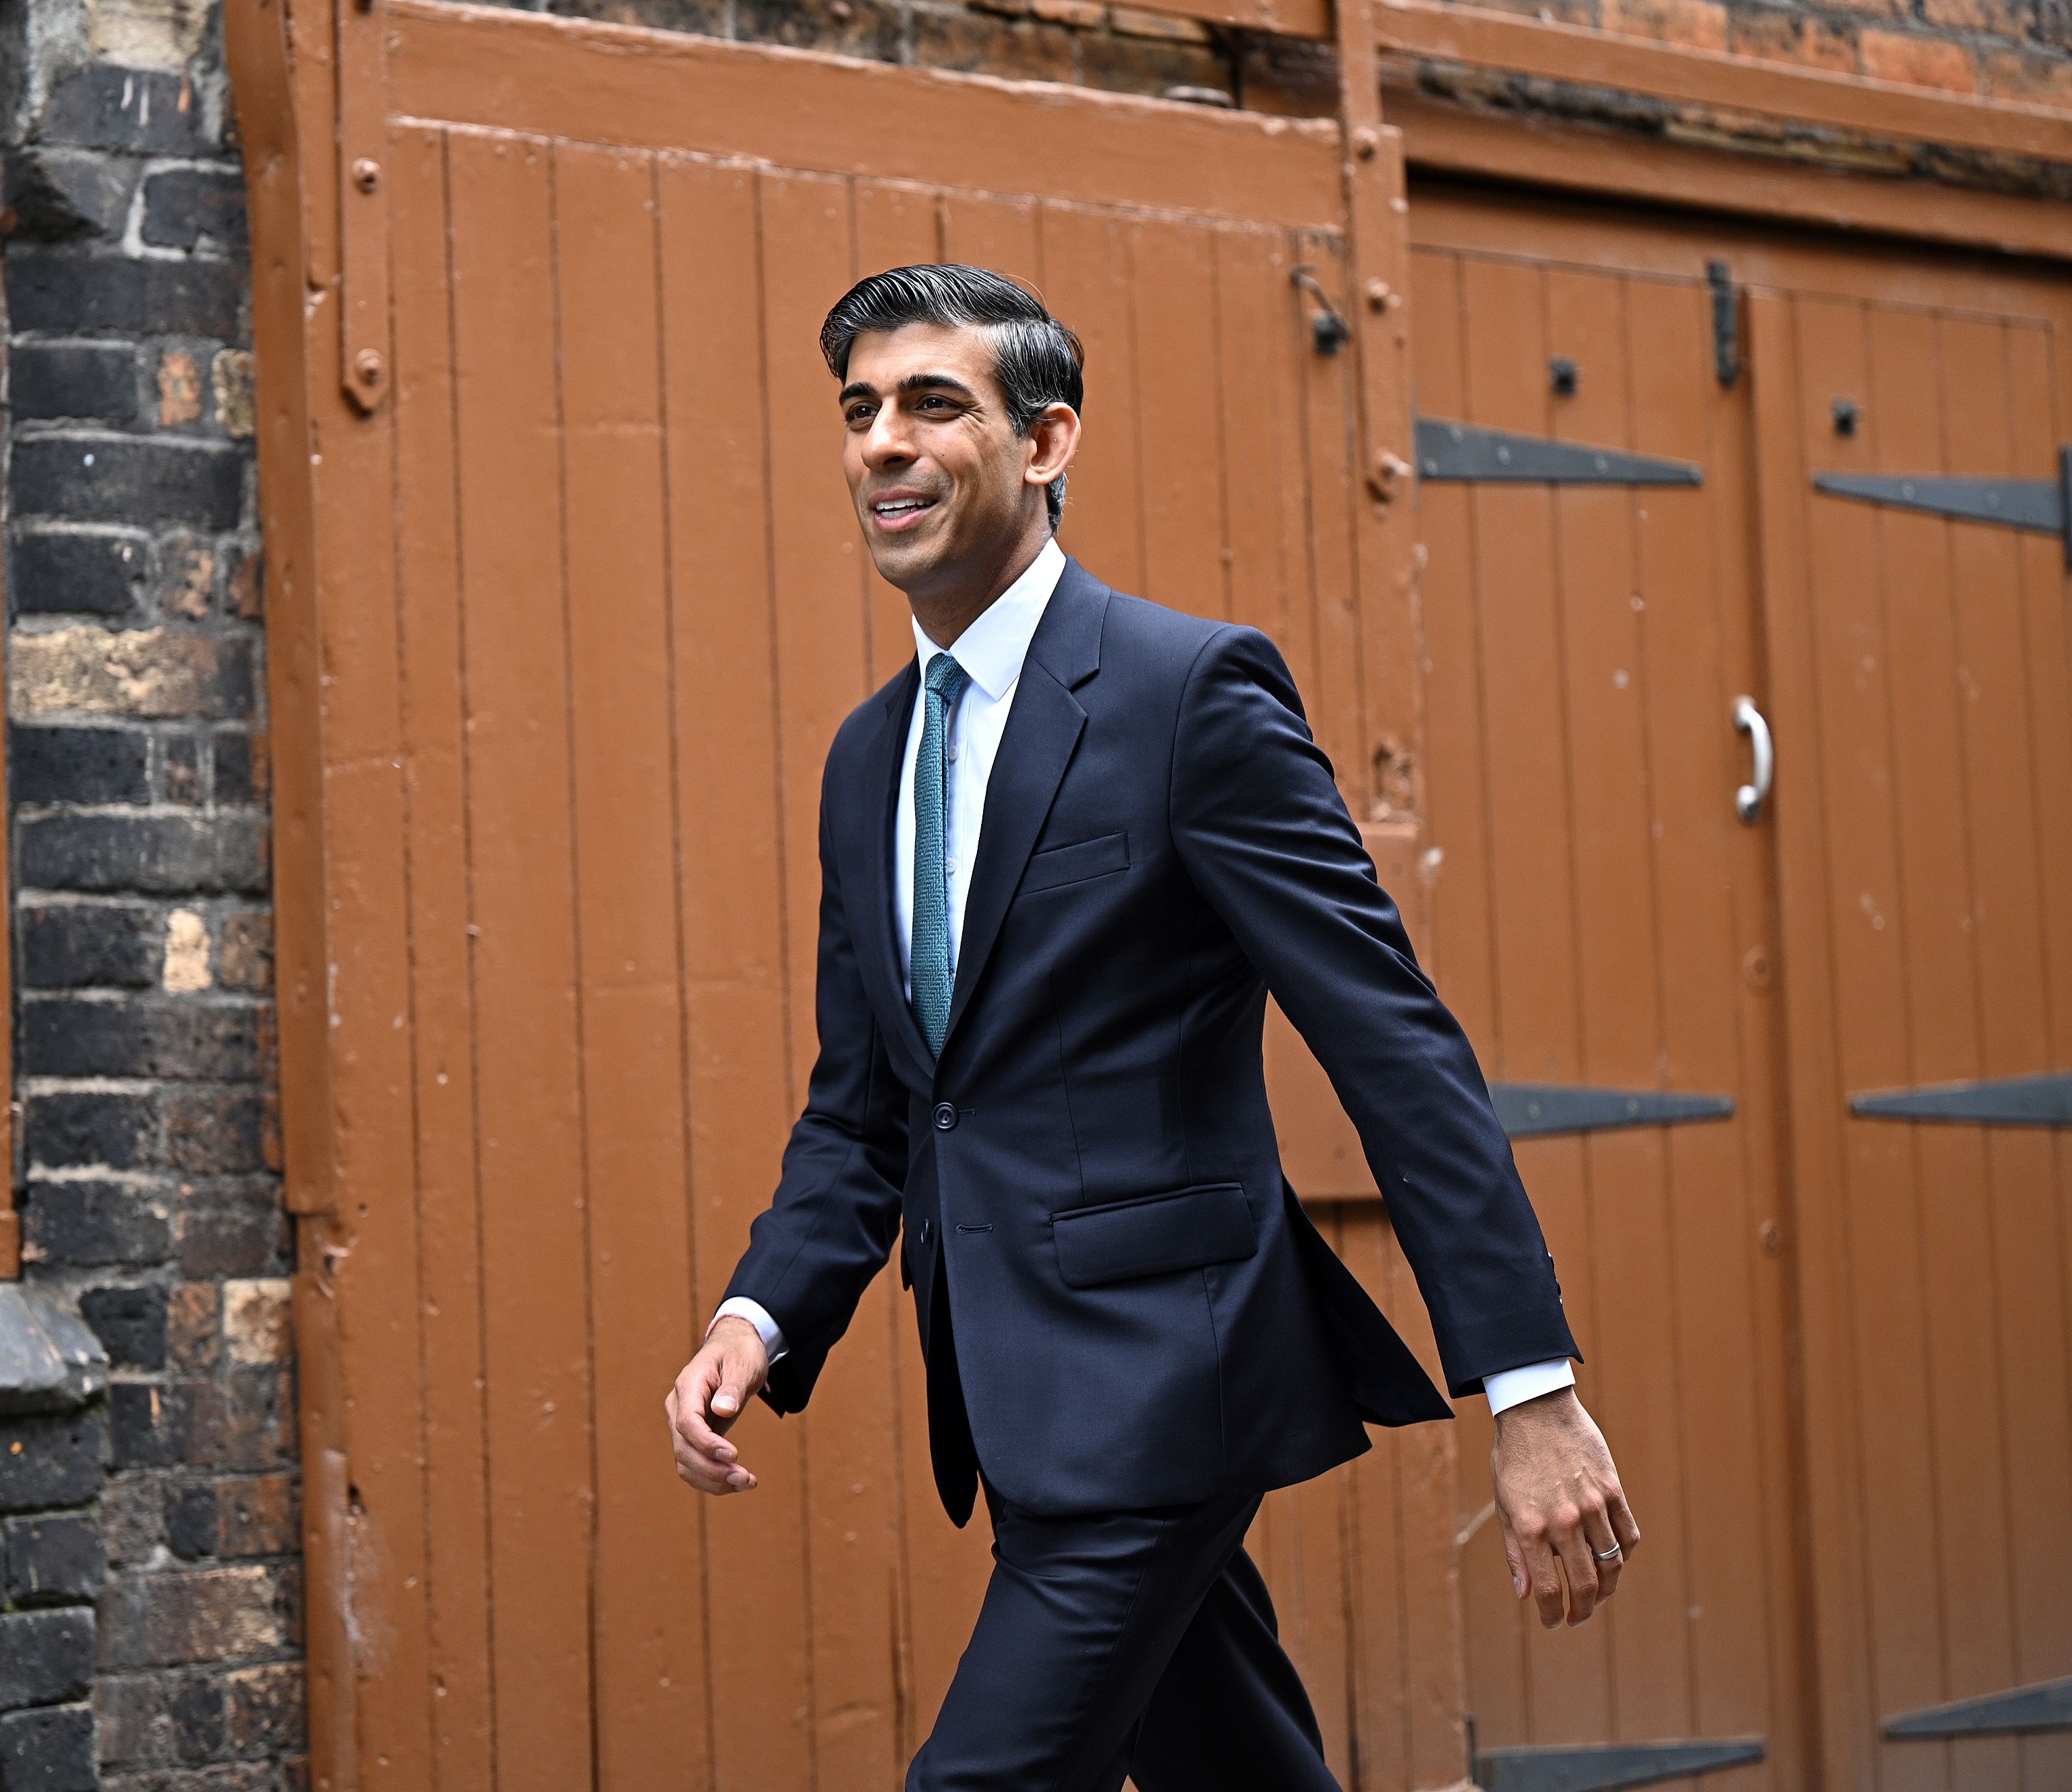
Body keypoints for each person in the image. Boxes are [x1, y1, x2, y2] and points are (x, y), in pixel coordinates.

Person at [663, 264, 1636, 1792]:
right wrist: (757, 1316)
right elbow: (869, 1109)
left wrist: (1527, 1389)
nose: (880, 445)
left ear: (1045, 444)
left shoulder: (1189, 694)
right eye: (858, 412)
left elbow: (1391, 1043)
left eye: (932, 404)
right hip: (1011, 1394)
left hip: (1161, 1383)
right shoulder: (868, 761)